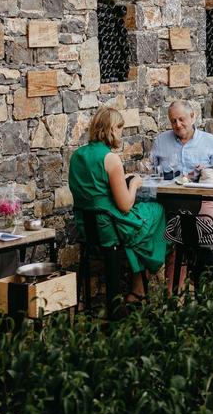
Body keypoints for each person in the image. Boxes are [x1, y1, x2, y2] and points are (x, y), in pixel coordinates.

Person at [69, 106, 167, 302]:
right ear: (112, 129)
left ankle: (137, 289)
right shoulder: (110, 158)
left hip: (87, 227)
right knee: (158, 210)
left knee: (141, 226)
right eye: (120, 128)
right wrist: (135, 183)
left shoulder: (77, 156)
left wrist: (122, 178)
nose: (122, 132)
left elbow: (95, 190)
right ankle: (148, 273)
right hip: (110, 228)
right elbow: (125, 206)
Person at [151, 100, 213, 292]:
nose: (177, 125)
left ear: (193, 116)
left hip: (203, 198)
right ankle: (174, 295)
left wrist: (207, 169)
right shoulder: (161, 141)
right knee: (173, 238)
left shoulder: (210, 141)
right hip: (172, 201)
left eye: (182, 119)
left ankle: (209, 291)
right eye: (173, 121)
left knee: (201, 232)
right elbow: (152, 170)